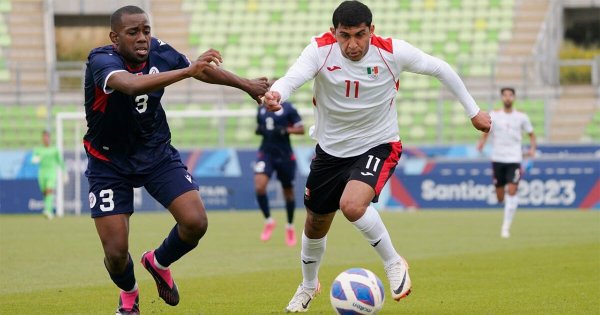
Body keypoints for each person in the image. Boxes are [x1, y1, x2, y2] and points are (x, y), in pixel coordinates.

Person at [262, 1, 491, 312]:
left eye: (360, 35)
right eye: (345, 36)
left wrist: (473, 111)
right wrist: (277, 94)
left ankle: (394, 262)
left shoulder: (391, 51)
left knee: (352, 205)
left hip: (377, 144)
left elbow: (440, 68)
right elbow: (292, 78)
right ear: (334, 33)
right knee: (315, 223)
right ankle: (307, 286)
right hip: (330, 151)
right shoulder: (319, 49)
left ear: (372, 30)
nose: (353, 44)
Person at [83, 6, 269, 315]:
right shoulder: (101, 60)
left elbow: (201, 69)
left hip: (156, 153)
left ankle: (158, 262)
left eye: (146, 30)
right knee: (116, 253)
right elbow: (129, 85)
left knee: (195, 222)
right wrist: (187, 72)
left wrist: (246, 84)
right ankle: (129, 294)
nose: (143, 38)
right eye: (133, 33)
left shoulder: (160, 51)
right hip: (108, 162)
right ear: (115, 38)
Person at [477, 87, 536, 239]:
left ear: (514, 98)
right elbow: (486, 130)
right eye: (505, 95)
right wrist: (482, 143)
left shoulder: (522, 116)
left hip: (514, 159)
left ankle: (506, 227)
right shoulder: (495, 115)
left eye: (510, 95)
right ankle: (508, 205)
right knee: (500, 197)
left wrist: (532, 149)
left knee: (512, 190)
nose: (508, 98)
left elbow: (531, 134)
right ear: (502, 98)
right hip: (498, 158)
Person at [254, 81, 305, 246]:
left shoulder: (289, 108)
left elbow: (301, 129)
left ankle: (289, 226)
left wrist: (286, 130)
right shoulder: (261, 108)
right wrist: (259, 129)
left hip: (284, 155)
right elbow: (259, 126)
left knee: (288, 192)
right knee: (259, 186)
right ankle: (269, 221)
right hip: (266, 153)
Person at [31, 130, 64, 219]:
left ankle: (48, 211)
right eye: (44, 137)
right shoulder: (38, 149)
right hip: (42, 173)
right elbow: (33, 159)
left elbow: (60, 161)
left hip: (51, 172)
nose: (46, 139)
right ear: (42, 139)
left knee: (49, 190)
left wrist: (64, 172)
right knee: (45, 193)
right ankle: (48, 210)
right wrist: (35, 159)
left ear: (49, 138)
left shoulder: (54, 150)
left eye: (47, 137)